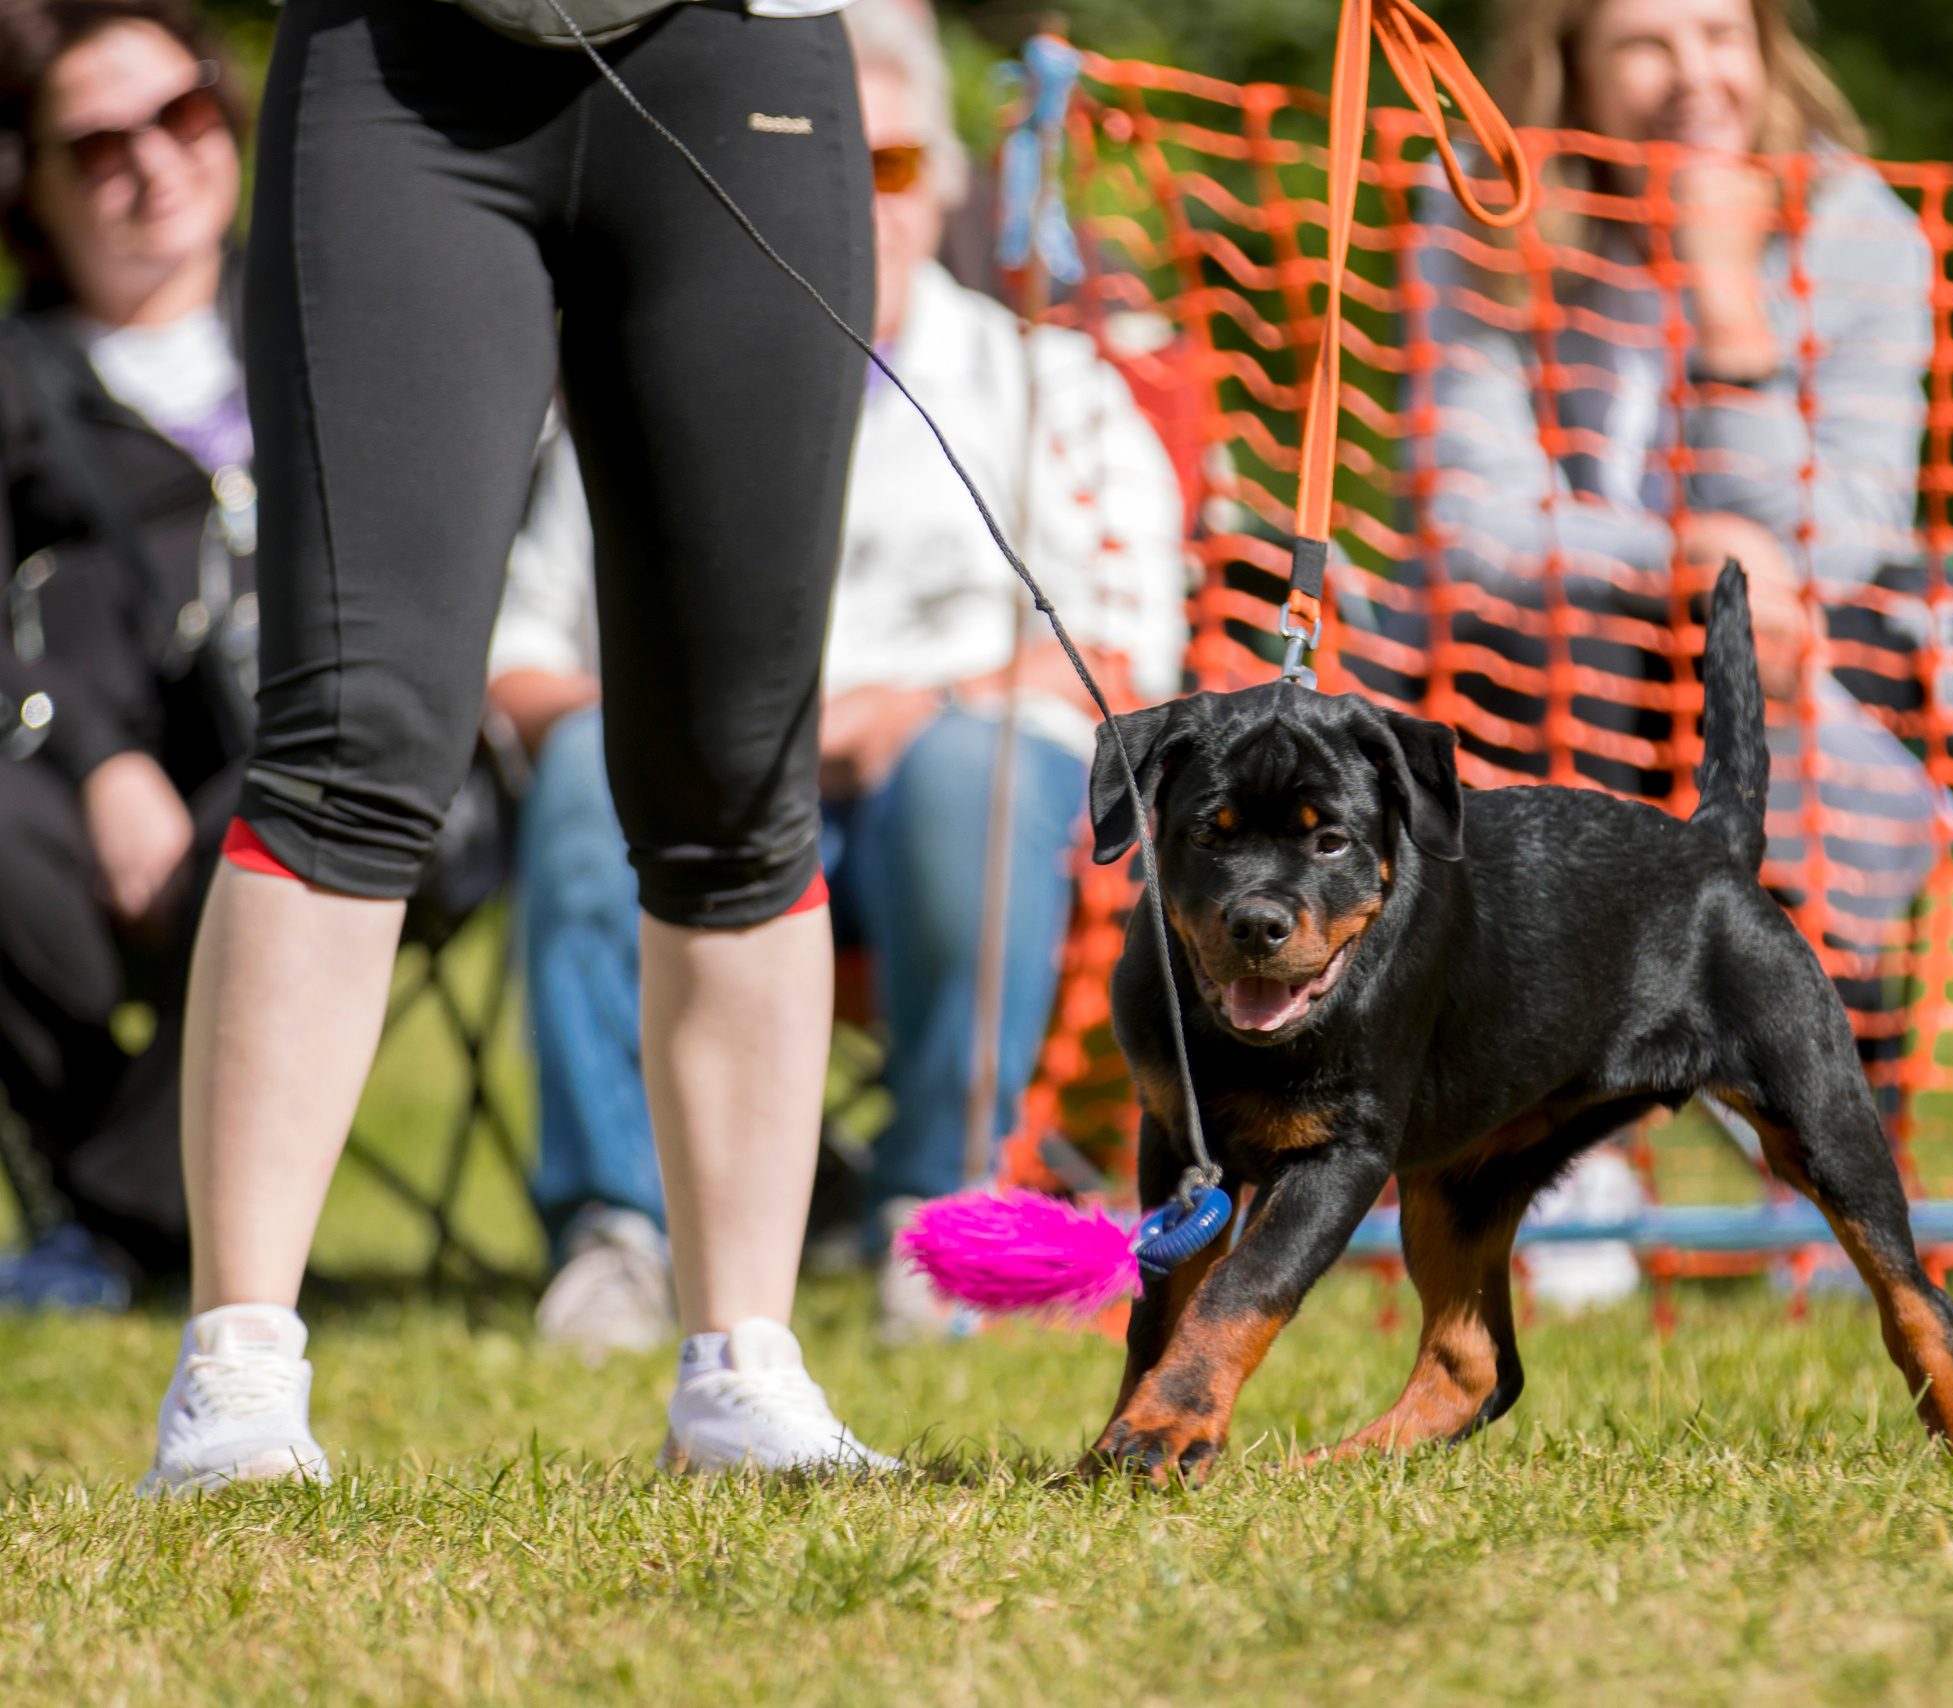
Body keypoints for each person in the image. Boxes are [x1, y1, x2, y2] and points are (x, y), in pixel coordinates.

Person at [138, 0, 892, 1491]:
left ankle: (743, 1370)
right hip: (400, 65)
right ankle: (236, 1373)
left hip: (740, 60)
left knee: (738, 765)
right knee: (351, 739)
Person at [487, 0, 1187, 1350]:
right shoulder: (639, 383)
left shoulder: (1049, 385)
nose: (860, 198)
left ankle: (937, 1213)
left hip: (943, 795)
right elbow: (516, 662)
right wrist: (682, 725)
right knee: (583, 760)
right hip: (695, 804)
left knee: (975, 767)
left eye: (895, 163)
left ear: (949, 181)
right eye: (815, 157)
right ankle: (617, 1235)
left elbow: (1125, 658)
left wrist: (921, 707)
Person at [1386, 0, 1943, 1285]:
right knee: (1571, 639)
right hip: (1541, 663)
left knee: (1801, 651)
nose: (1698, 76)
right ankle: (1552, 1152)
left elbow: (1845, 529)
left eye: (1721, 35)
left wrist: (1729, 309)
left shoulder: (1856, 228)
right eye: (1647, 44)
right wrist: (1677, 559)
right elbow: (1473, 520)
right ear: (1569, 67)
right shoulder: (1478, 210)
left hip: (1793, 654)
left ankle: (1823, 1136)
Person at [0, 0, 255, 1313]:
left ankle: (107, 1217)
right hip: (75, 776)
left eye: (183, 113)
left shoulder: (338, 322)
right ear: (31, 186)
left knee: (306, 828)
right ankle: (147, 1195)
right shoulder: (18, 377)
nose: (154, 162)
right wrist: (98, 761)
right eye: (99, 146)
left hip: (331, 767)